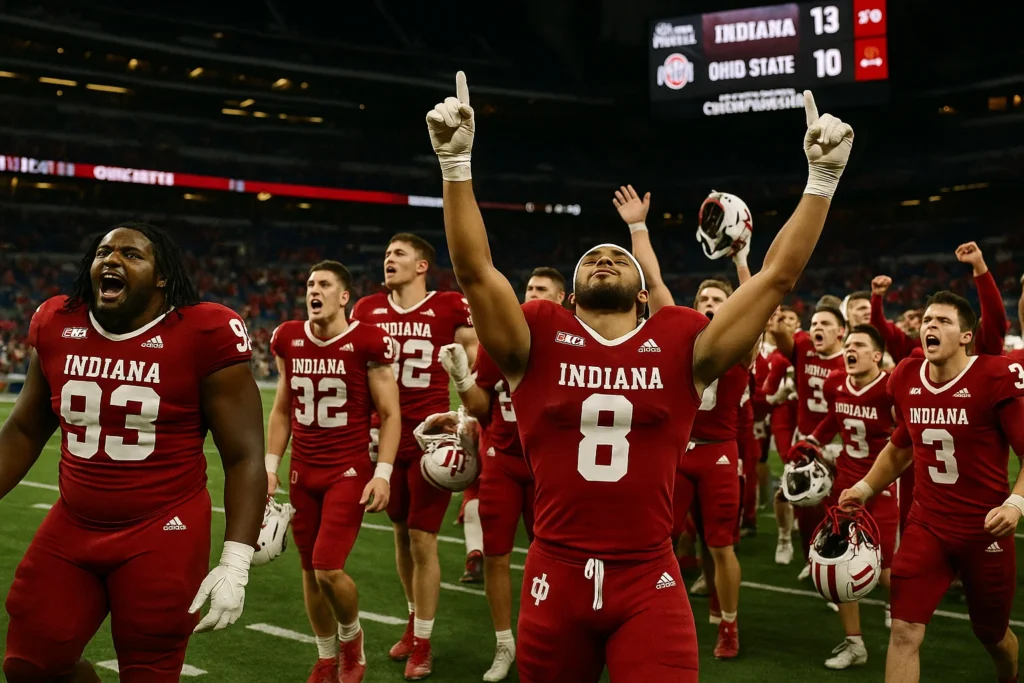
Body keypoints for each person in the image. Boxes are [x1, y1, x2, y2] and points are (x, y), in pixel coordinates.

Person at [427, 71, 853, 681]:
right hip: (555, 570)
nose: (605, 259)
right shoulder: (537, 333)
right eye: (592, 259)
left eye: (618, 257)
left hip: (649, 575)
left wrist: (821, 181)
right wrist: (456, 164)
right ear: (572, 295)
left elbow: (775, 279)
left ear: (643, 292)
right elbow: (474, 270)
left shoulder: (679, 338)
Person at [1, 223, 266, 683]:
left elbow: (244, 455)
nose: (112, 260)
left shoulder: (205, 330)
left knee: (148, 671)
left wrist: (236, 562)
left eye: (131, 254)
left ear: (162, 277)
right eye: (103, 251)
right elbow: (25, 427)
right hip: (74, 523)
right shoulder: (57, 322)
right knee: (30, 665)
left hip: (163, 528)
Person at [839, 291, 1024, 683]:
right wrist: (866, 487)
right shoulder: (906, 375)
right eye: (926, 320)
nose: (930, 327)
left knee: (991, 635)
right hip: (928, 526)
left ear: (966, 336)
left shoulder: (994, 375)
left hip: (984, 529)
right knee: (904, 630)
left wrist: (1016, 504)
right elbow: (901, 446)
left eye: (942, 321)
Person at [615, 184, 754, 658]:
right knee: (660, 541)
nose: (713, 304)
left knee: (721, 546)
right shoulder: (680, 336)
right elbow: (653, 283)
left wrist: (740, 262)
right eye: (706, 298)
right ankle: (652, 614)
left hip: (718, 452)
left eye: (721, 298)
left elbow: (755, 306)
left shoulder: (738, 343)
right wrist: (638, 226)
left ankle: (729, 625)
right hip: (678, 454)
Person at [266, 260, 401, 683]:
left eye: (324, 284)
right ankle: (326, 656)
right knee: (308, 569)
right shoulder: (287, 337)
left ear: (344, 297)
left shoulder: (366, 340)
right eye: (309, 283)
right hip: (303, 472)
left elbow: (391, 413)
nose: (313, 290)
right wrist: (271, 467)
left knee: (327, 566)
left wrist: (383, 473)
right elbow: (283, 410)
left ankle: (352, 640)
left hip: (347, 470)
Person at [350, 232, 477, 680]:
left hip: (430, 438)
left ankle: (423, 643)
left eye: (398, 254)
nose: (389, 259)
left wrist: (463, 411)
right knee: (401, 534)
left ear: (422, 265)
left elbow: (475, 355)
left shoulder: (449, 306)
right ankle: (412, 620)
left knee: (423, 538)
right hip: (385, 438)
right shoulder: (365, 310)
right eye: (386, 254)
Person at [441, 266, 565, 681]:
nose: (531, 294)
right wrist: (461, 376)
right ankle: (504, 644)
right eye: (528, 287)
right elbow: (480, 407)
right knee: (495, 555)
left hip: (551, 466)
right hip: (502, 461)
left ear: (562, 299)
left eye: (541, 289)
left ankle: (551, 638)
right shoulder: (498, 339)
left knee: (556, 558)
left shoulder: (570, 344)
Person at [793, 324, 898, 669]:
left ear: (877, 355)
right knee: (837, 564)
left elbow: (906, 439)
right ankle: (855, 645)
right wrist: (812, 442)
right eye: (848, 344)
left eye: (859, 345)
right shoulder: (837, 382)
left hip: (881, 488)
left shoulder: (890, 388)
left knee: (885, 570)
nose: (850, 350)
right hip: (845, 487)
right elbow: (832, 420)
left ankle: (898, 610)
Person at [774, 305, 847, 576]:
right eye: (814, 323)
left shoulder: (848, 360)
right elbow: (782, 339)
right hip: (805, 442)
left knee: (836, 510)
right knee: (803, 508)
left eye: (825, 323)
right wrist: (778, 319)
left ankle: (839, 562)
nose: (817, 328)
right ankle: (811, 559)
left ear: (840, 331)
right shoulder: (804, 347)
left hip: (836, 444)